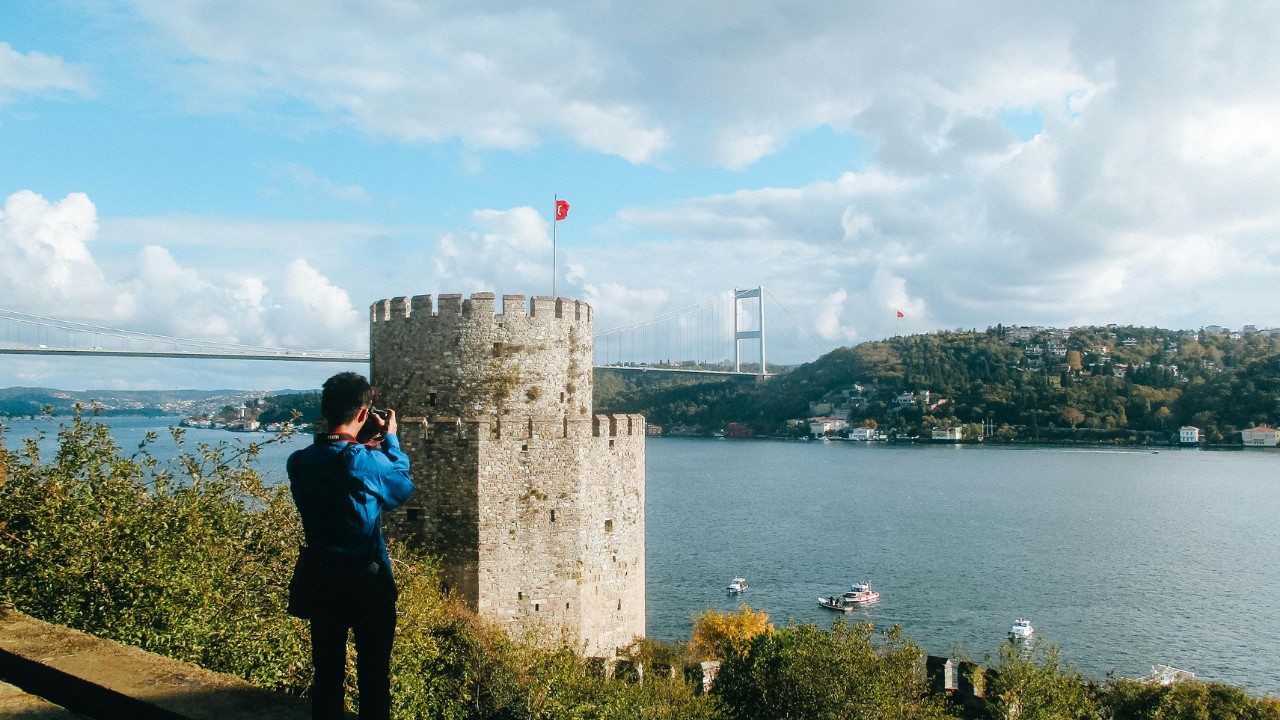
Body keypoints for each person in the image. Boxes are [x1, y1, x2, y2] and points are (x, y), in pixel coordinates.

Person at [288, 372, 414, 720]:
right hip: (367, 584)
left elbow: (334, 464)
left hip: (321, 580)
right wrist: (390, 440)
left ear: (326, 410)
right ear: (362, 413)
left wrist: (360, 441)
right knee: (374, 678)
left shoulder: (298, 462)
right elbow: (401, 487)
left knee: (327, 675)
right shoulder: (363, 462)